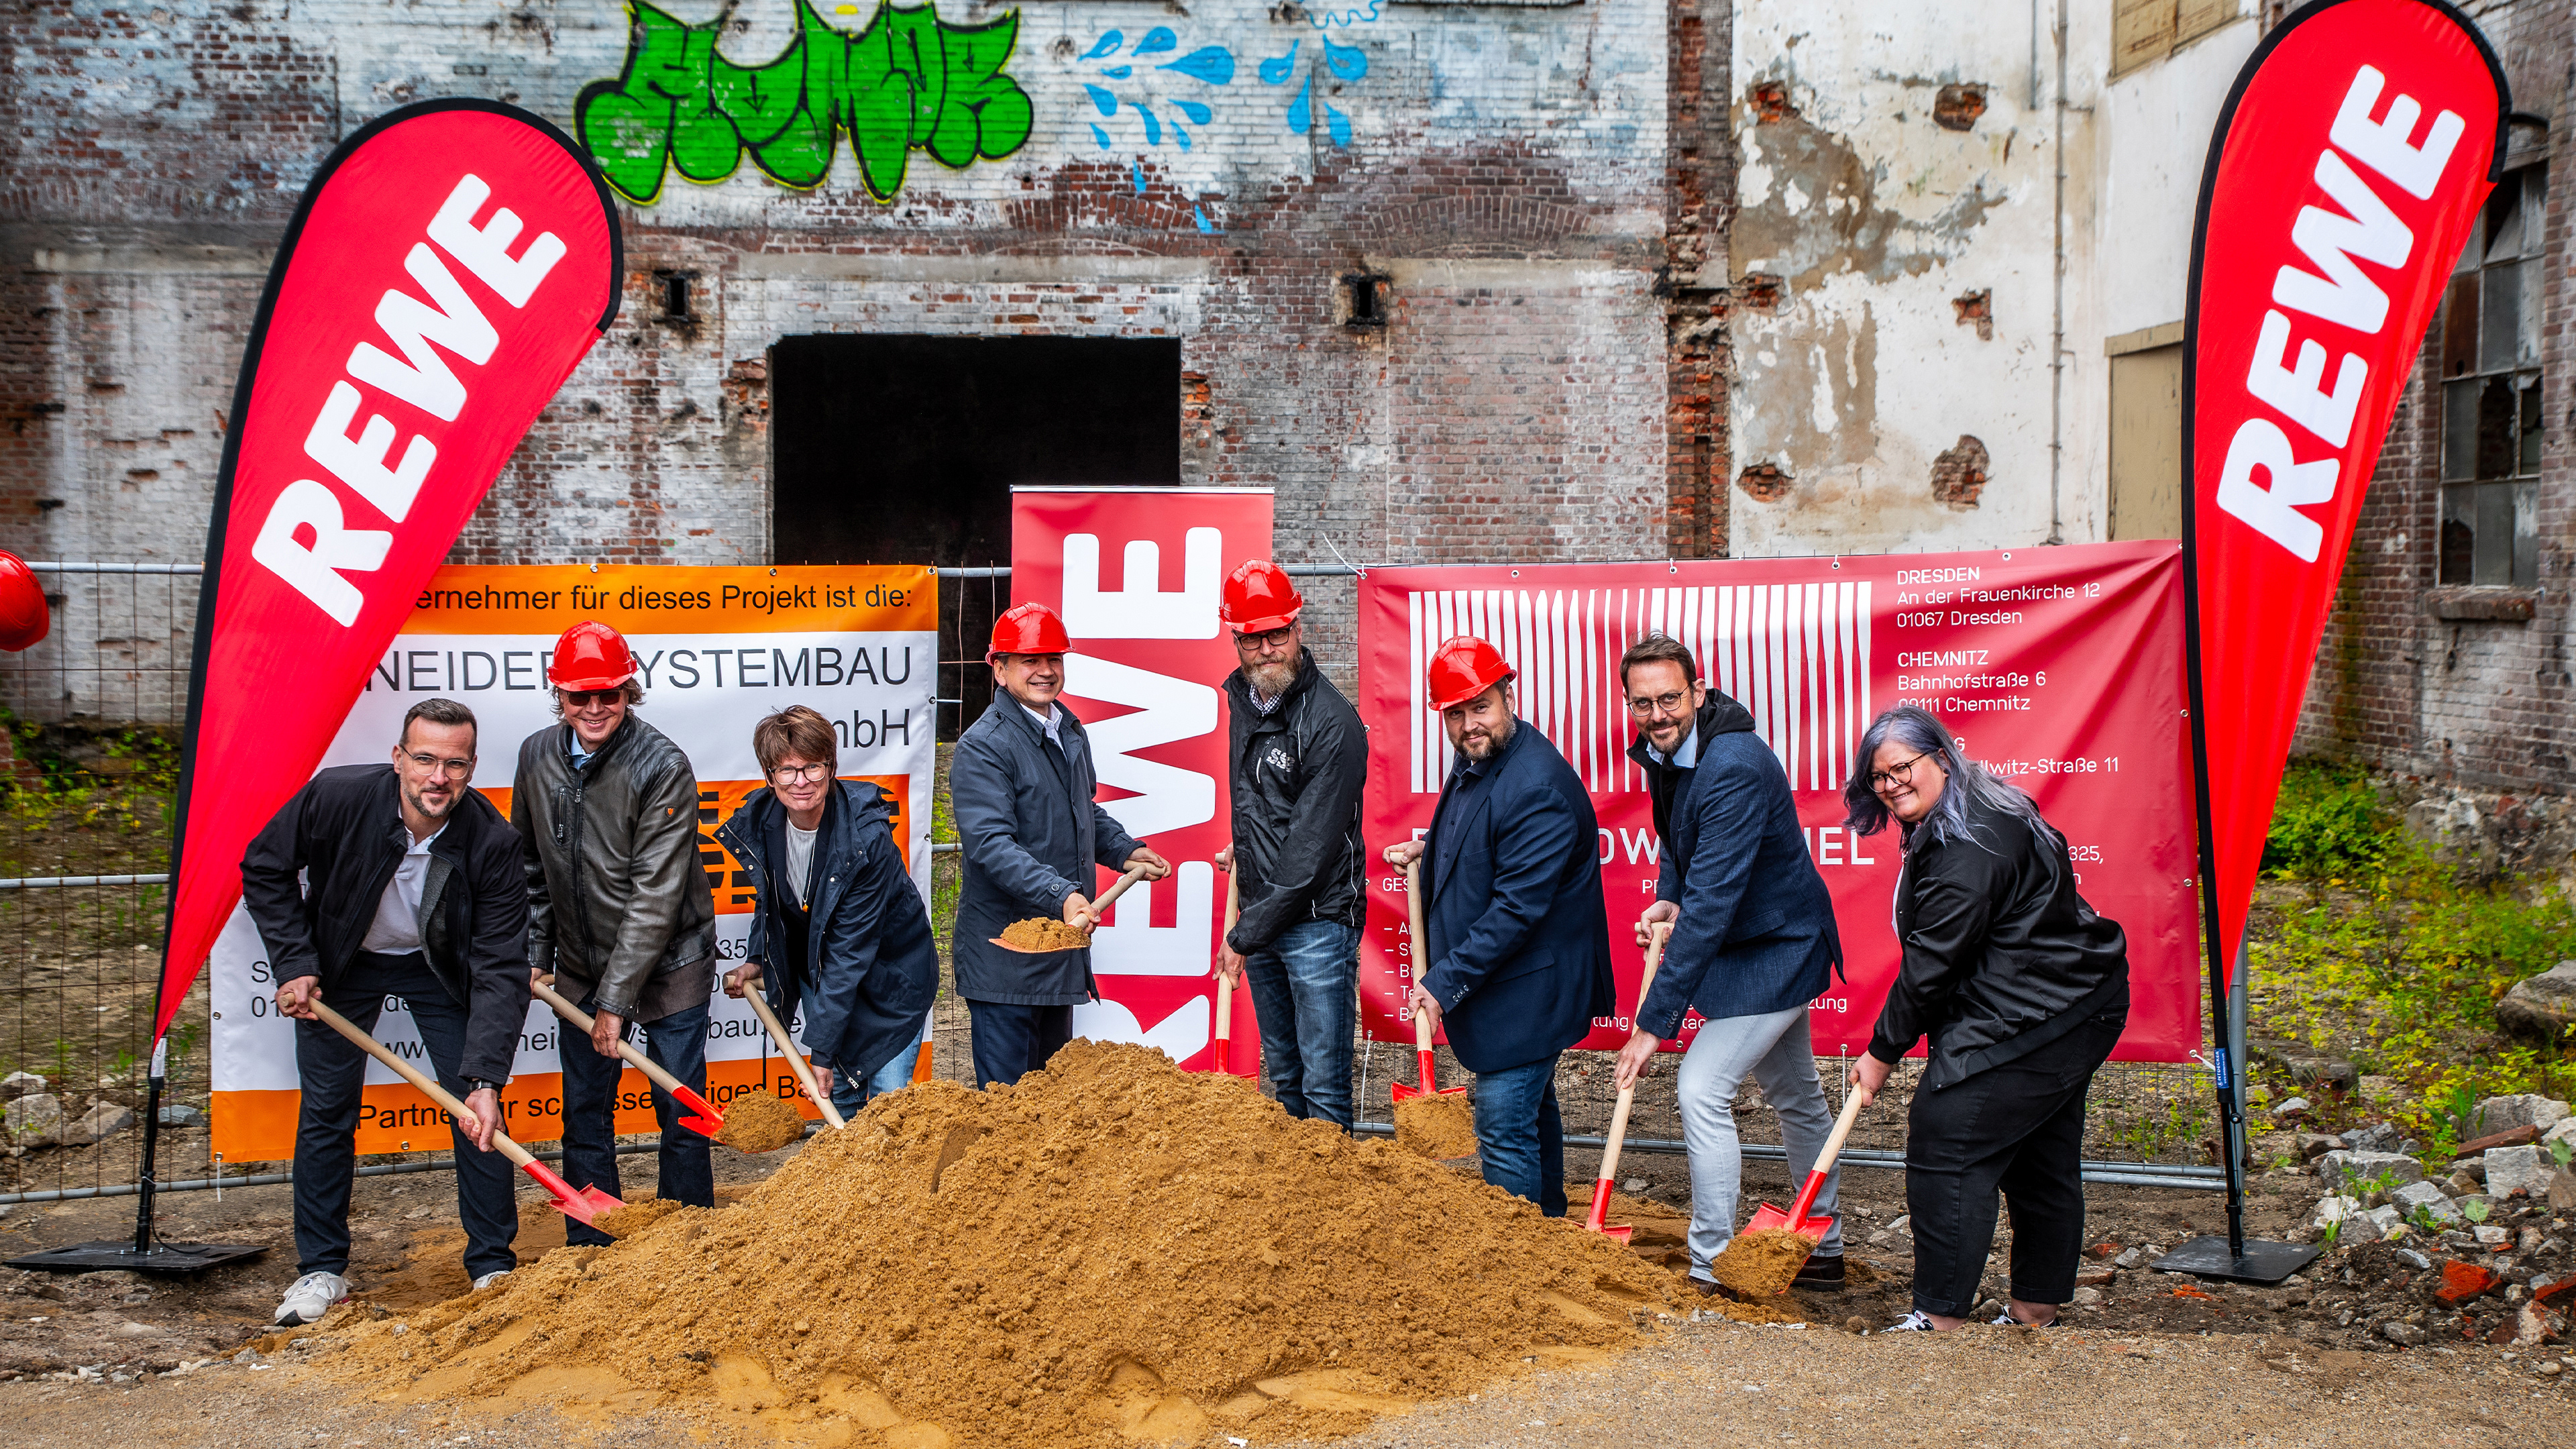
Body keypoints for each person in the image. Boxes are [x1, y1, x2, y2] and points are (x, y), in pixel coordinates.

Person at [1840, 704, 2130, 1332]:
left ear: (1940, 758)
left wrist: (1882, 1051)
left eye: (1902, 768)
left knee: (1948, 1138)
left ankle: (1939, 1318)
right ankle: (2034, 1313)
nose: (1890, 786)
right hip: (2074, 999)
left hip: (2038, 1011)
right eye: (1878, 777)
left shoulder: (1966, 849)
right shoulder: (1977, 807)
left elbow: (1931, 966)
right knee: (2040, 1156)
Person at [241, 698, 530, 1324]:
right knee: (327, 1110)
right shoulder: (336, 798)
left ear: (472, 768)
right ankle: (321, 1269)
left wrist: (486, 1079)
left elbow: (501, 966)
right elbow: (265, 866)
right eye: (424, 759)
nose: (438, 777)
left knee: (476, 1115)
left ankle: (492, 1268)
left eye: (454, 764)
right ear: (398, 759)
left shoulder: (493, 842)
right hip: (345, 962)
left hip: (439, 968)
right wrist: (294, 959)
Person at [1607, 633, 1847, 1293]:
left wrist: (1655, 1024)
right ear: (1629, 703)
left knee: (1700, 1090)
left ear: (1699, 692)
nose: (1658, 715)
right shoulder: (1673, 752)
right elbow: (1680, 844)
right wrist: (1666, 897)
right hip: (1751, 944)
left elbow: (1712, 905)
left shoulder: (1733, 765)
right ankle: (1823, 1248)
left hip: (1780, 946)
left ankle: (1709, 1264)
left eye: (1670, 699)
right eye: (1643, 703)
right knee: (1797, 1094)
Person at [1382, 636, 1613, 1216]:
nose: (1468, 724)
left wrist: (1440, 983)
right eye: (1455, 713)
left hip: (1528, 991)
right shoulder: (1482, 761)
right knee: (1533, 1114)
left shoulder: (1536, 785)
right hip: (1510, 988)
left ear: (1508, 695)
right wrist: (1431, 850)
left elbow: (1517, 909)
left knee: (1505, 1132)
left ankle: (1520, 1266)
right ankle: (1551, 1228)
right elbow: (1492, 838)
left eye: (1479, 706)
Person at [512, 621, 718, 1249]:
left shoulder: (662, 765)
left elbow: (655, 896)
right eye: (580, 696)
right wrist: (536, 956)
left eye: (609, 693)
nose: (595, 708)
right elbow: (531, 868)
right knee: (584, 1113)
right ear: (560, 697)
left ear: (629, 691)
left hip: (671, 964)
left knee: (680, 1111)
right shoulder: (536, 756)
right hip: (580, 967)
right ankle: (594, 1244)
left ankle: (688, 1240)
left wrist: (614, 1004)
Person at [949, 602, 1171, 1088]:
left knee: (1050, 1108)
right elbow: (990, 845)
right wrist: (1064, 895)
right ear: (1000, 669)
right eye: (1030, 660)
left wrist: (1123, 850)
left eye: (1054, 658)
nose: (1045, 671)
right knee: (1007, 1112)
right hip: (1005, 960)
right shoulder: (983, 747)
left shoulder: (1067, 730)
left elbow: (1080, 811)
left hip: (1056, 953)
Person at [718, 705, 939, 1120]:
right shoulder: (762, 823)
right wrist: (755, 959)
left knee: (888, 1111)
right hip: (830, 982)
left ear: (831, 767)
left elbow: (850, 952)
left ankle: (888, 1186)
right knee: (842, 1106)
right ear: (769, 776)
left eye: (812, 768)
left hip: (892, 982)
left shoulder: (865, 839)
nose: (800, 782)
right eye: (786, 771)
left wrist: (821, 1051)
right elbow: (770, 901)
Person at [1211, 561, 1367, 1128]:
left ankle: (1336, 1211)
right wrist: (1245, 848)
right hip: (1267, 912)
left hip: (1317, 922)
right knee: (1286, 1077)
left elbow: (1309, 850)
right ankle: (1298, 1209)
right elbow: (1266, 802)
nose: (1266, 648)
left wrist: (1244, 935)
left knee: (1324, 1085)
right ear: (1236, 640)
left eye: (1277, 633)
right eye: (1252, 638)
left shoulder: (1331, 722)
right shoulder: (1246, 701)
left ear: (1297, 628)